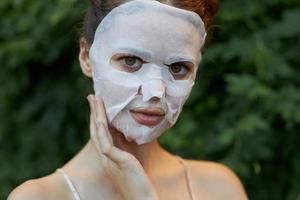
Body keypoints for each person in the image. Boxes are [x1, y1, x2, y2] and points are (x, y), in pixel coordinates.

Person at [8, 0, 248, 199]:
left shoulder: (219, 189)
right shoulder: (40, 197)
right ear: (86, 57)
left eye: (177, 67)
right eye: (131, 61)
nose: (156, 92)